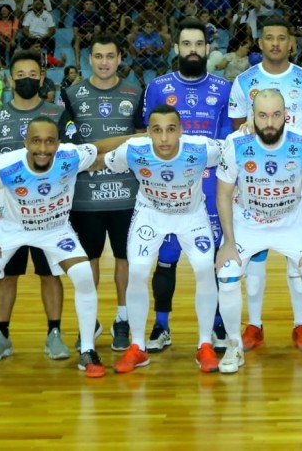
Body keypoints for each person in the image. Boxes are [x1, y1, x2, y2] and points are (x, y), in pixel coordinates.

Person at [0, 118, 104, 382]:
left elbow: (100, 146)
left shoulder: (70, 155)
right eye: (36, 141)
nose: (43, 148)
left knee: (83, 274)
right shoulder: (6, 165)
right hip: (9, 228)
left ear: (59, 143)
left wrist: (142, 138)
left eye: (50, 141)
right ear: (25, 143)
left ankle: (88, 350)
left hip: (55, 228)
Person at [0, 49, 75, 363]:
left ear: (42, 78)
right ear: (10, 80)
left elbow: (71, 159)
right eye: (20, 76)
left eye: (33, 75)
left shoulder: (58, 114)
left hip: (49, 214)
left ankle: (54, 334)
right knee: (5, 276)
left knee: (49, 274)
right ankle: (2, 336)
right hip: (7, 217)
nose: (27, 80)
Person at [214, 90, 302, 373]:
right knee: (226, 274)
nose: (269, 122)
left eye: (276, 115)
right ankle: (232, 345)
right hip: (248, 224)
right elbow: (223, 194)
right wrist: (228, 242)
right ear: (252, 115)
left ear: (285, 115)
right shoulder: (235, 143)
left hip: (292, 223)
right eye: (262, 115)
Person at [105, 106, 223, 374]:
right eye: (157, 131)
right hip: (150, 215)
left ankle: (204, 344)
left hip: (191, 216)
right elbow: (106, 161)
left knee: (206, 269)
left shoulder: (203, 148)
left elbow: (235, 150)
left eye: (171, 130)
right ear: (148, 133)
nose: (165, 138)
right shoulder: (133, 150)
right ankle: (137, 347)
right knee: (136, 272)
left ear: (181, 131)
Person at [227, 16, 302, 350]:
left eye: (283, 38)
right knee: (255, 261)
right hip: (255, 183)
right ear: (261, 43)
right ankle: (254, 324)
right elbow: (239, 128)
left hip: (294, 181)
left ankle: (300, 324)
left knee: (299, 262)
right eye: (269, 38)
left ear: (291, 43)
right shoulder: (244, 80)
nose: (277, 44)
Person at [142, 19, 232, 353]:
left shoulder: (224, 88)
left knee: (211, 260)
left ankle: (218, 324)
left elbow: (227, 142)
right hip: (168, 186)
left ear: (208, 49)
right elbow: (149, 135)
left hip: (210, 188)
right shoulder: (157, 86)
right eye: (186, 44)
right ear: (177, 48)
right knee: (166, 257)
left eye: (198, 44)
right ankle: (161, 325)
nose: (192, 50)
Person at [62, 34, 145, 352]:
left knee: (125, 260)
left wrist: (94, 156)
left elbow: (140, 138)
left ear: (120, 57)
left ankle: (122, 319)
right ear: (89, 59)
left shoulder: (134, 93)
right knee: (90, 261)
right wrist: (109, 153)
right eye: (98, 56)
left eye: (110, 56)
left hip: (127, 195)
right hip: (84, 197)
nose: (104, 62)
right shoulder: (71, 94)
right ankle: (91, 320)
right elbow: (68, 146)